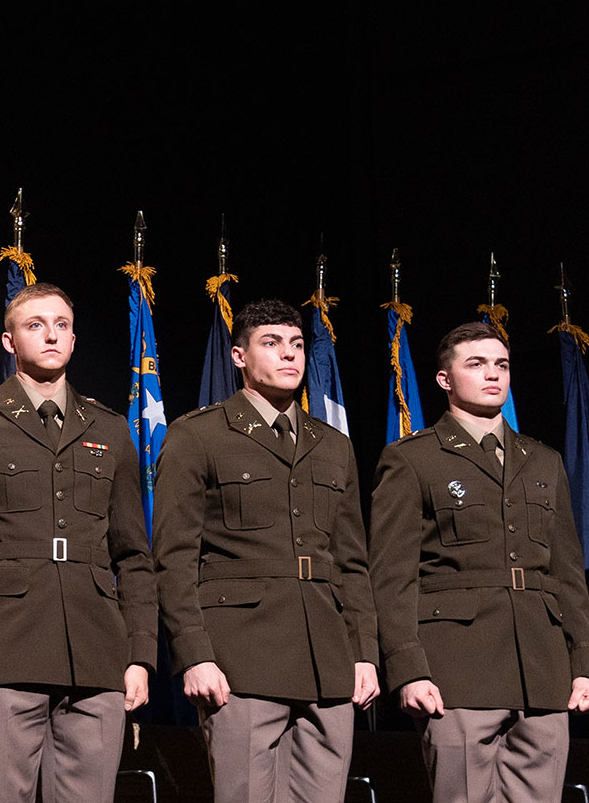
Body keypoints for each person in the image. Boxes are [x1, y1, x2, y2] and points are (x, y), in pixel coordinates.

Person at [0, 282, 155, 802]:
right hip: (3, 651)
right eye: (35, 325)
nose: (51, 335)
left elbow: (134, 557)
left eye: (62, 325)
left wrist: (140, 654)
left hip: (97, 653)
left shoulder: (110, 429)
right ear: (9, 341)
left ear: (74, 339)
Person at [153, 298, 380, 803]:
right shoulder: (199, 435)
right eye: (272, 344)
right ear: (239, 357)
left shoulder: (332, 445)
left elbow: (352, 563)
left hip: (328, 660)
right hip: (240, 659)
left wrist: (364, 652)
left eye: (297, 345)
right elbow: (173, 558)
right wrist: (194, 656)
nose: (289, 356)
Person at [369, 321, 589, 802]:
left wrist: (586, 664)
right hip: (456, 667)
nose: (493, 374)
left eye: (501, 364)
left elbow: (566, 576)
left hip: (543, 669)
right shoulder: (412, 459)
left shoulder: (542, 460)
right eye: (476, 364)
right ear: (444, 380)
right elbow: (392, 577)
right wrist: (408, 669)